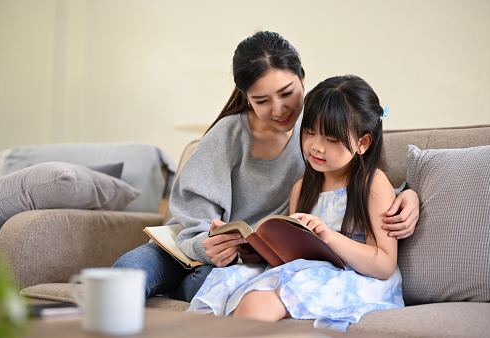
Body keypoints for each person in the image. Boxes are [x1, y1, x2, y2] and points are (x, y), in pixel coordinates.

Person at [112, 31, 418, 303]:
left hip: (252, 261)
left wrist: (408, 195)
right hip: (194, 247)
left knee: (209, 284)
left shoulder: (321, 129)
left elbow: (356, 180)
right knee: (124, 273)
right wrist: (207, 245)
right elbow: (192, 210)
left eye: (287, 93)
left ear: (302, 78)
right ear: (247, 99)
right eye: (262, 100)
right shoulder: (229, 135)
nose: (278, 109)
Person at [187, 75, 404, 331]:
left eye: (332, 140)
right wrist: (255, 250)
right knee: (224, 281)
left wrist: (328, 236)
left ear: (362, 143)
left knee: (259, 300)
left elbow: (384, 265)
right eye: (310, 133)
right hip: (307, 271)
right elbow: (292, 259)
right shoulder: (302, 188)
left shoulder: (372, 184)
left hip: (357, 278)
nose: (316, 147)